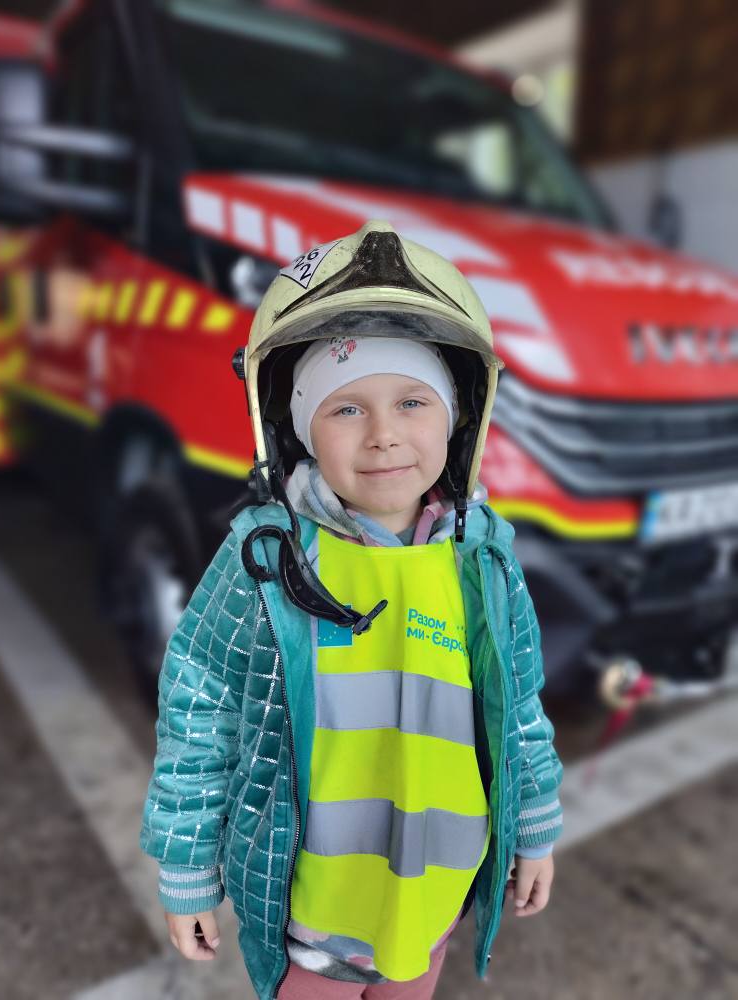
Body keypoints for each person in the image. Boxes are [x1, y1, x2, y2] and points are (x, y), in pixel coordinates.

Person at [139, 220, 563, 1000]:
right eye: (345, 410)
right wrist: (187, 868)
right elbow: (200, 714)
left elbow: (520, 707)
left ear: (457, 415)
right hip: (315, 919)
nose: (384, 436)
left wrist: (533, 828)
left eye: (412, 401)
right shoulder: (266, 561)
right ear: (301, 432)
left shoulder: (484, 560)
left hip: (433, 901)